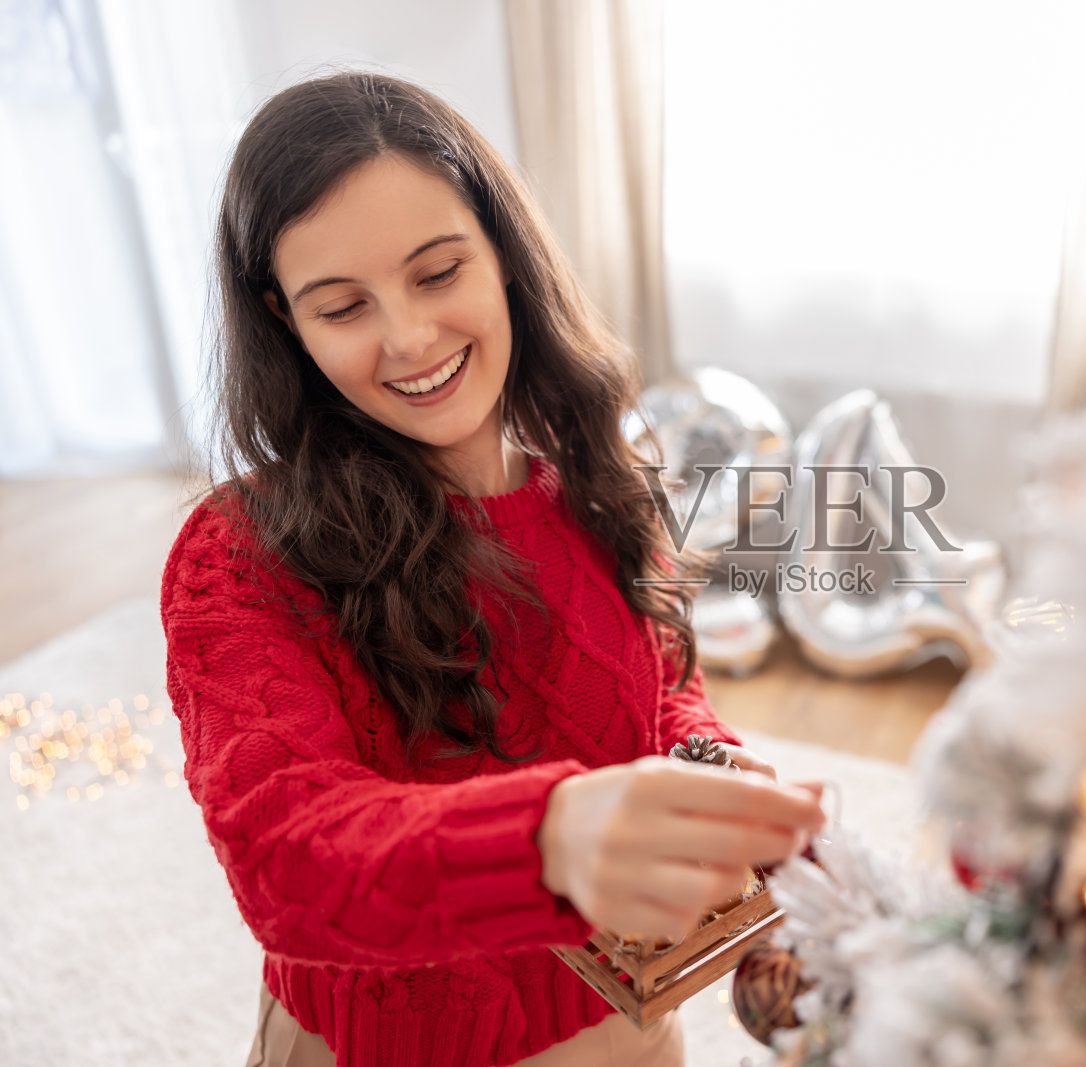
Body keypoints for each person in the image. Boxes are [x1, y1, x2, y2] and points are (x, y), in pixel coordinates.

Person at [161, 71, 825, 1067]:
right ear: (284, 319)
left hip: (630, 1027)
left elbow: (660, 694)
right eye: (343, 306)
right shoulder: (239, 550)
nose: (411, 337)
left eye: (437, 273)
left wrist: (706, 761)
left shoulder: (599, 485)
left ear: (503, 253)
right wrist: (549, 836)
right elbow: (283, 858)